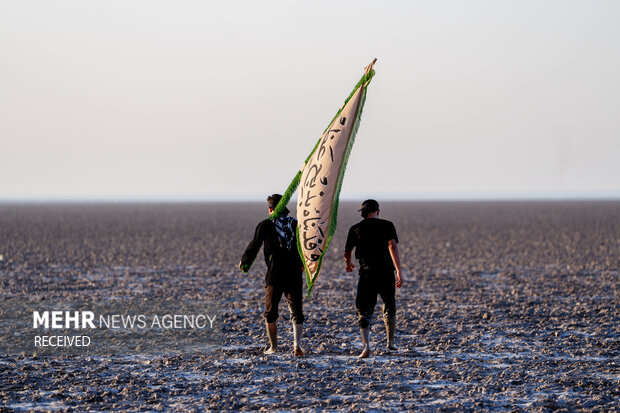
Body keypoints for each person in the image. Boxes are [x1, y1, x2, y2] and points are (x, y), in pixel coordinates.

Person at [238, 194, 305, 356]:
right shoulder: (296, 223)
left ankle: (273, 347)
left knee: (270, 312)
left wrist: (244, 261)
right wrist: (305, 264)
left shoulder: (265, 225)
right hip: (295, 272)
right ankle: (297, 345)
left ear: (270, 209)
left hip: (274, 274)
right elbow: (304, 245)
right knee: (296, 310)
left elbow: (254, 245)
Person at [344, 199, 403, 358]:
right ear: (378, 211)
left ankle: (366, 346)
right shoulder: (387, 225)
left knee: (363, 309)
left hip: (367, 273)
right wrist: (399, 270)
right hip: (386, 272)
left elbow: (347, 251)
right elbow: (392, 246)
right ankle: (390, 342)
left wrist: (348, 263)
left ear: (363, 213)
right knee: (389, 303)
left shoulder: (355, 228)